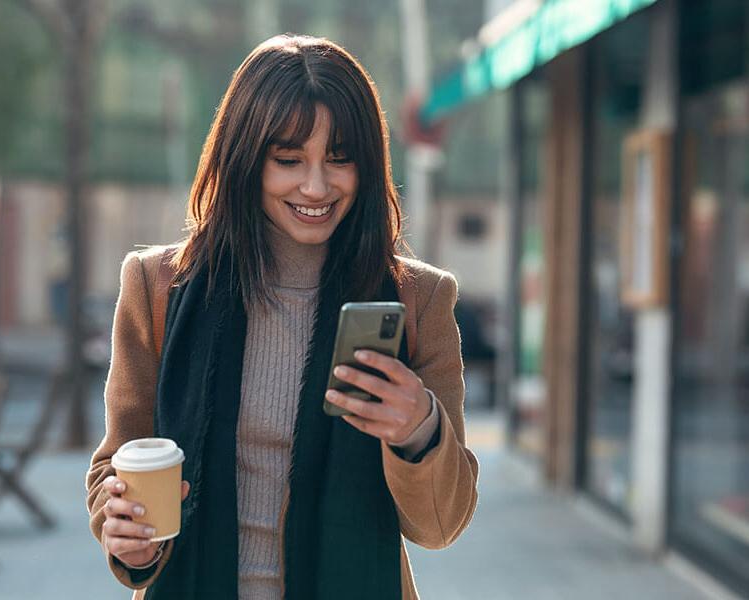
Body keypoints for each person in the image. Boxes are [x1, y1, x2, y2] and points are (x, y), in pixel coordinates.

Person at [87, 34, 479, 600]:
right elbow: (116, 468)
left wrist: (418, 429)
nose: (316, 186)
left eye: (339, 159)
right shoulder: (158, 288)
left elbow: (440, 526)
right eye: (288, 160)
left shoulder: (419, 302)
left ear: (367, 166)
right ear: (245, 159)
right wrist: (124, 532)